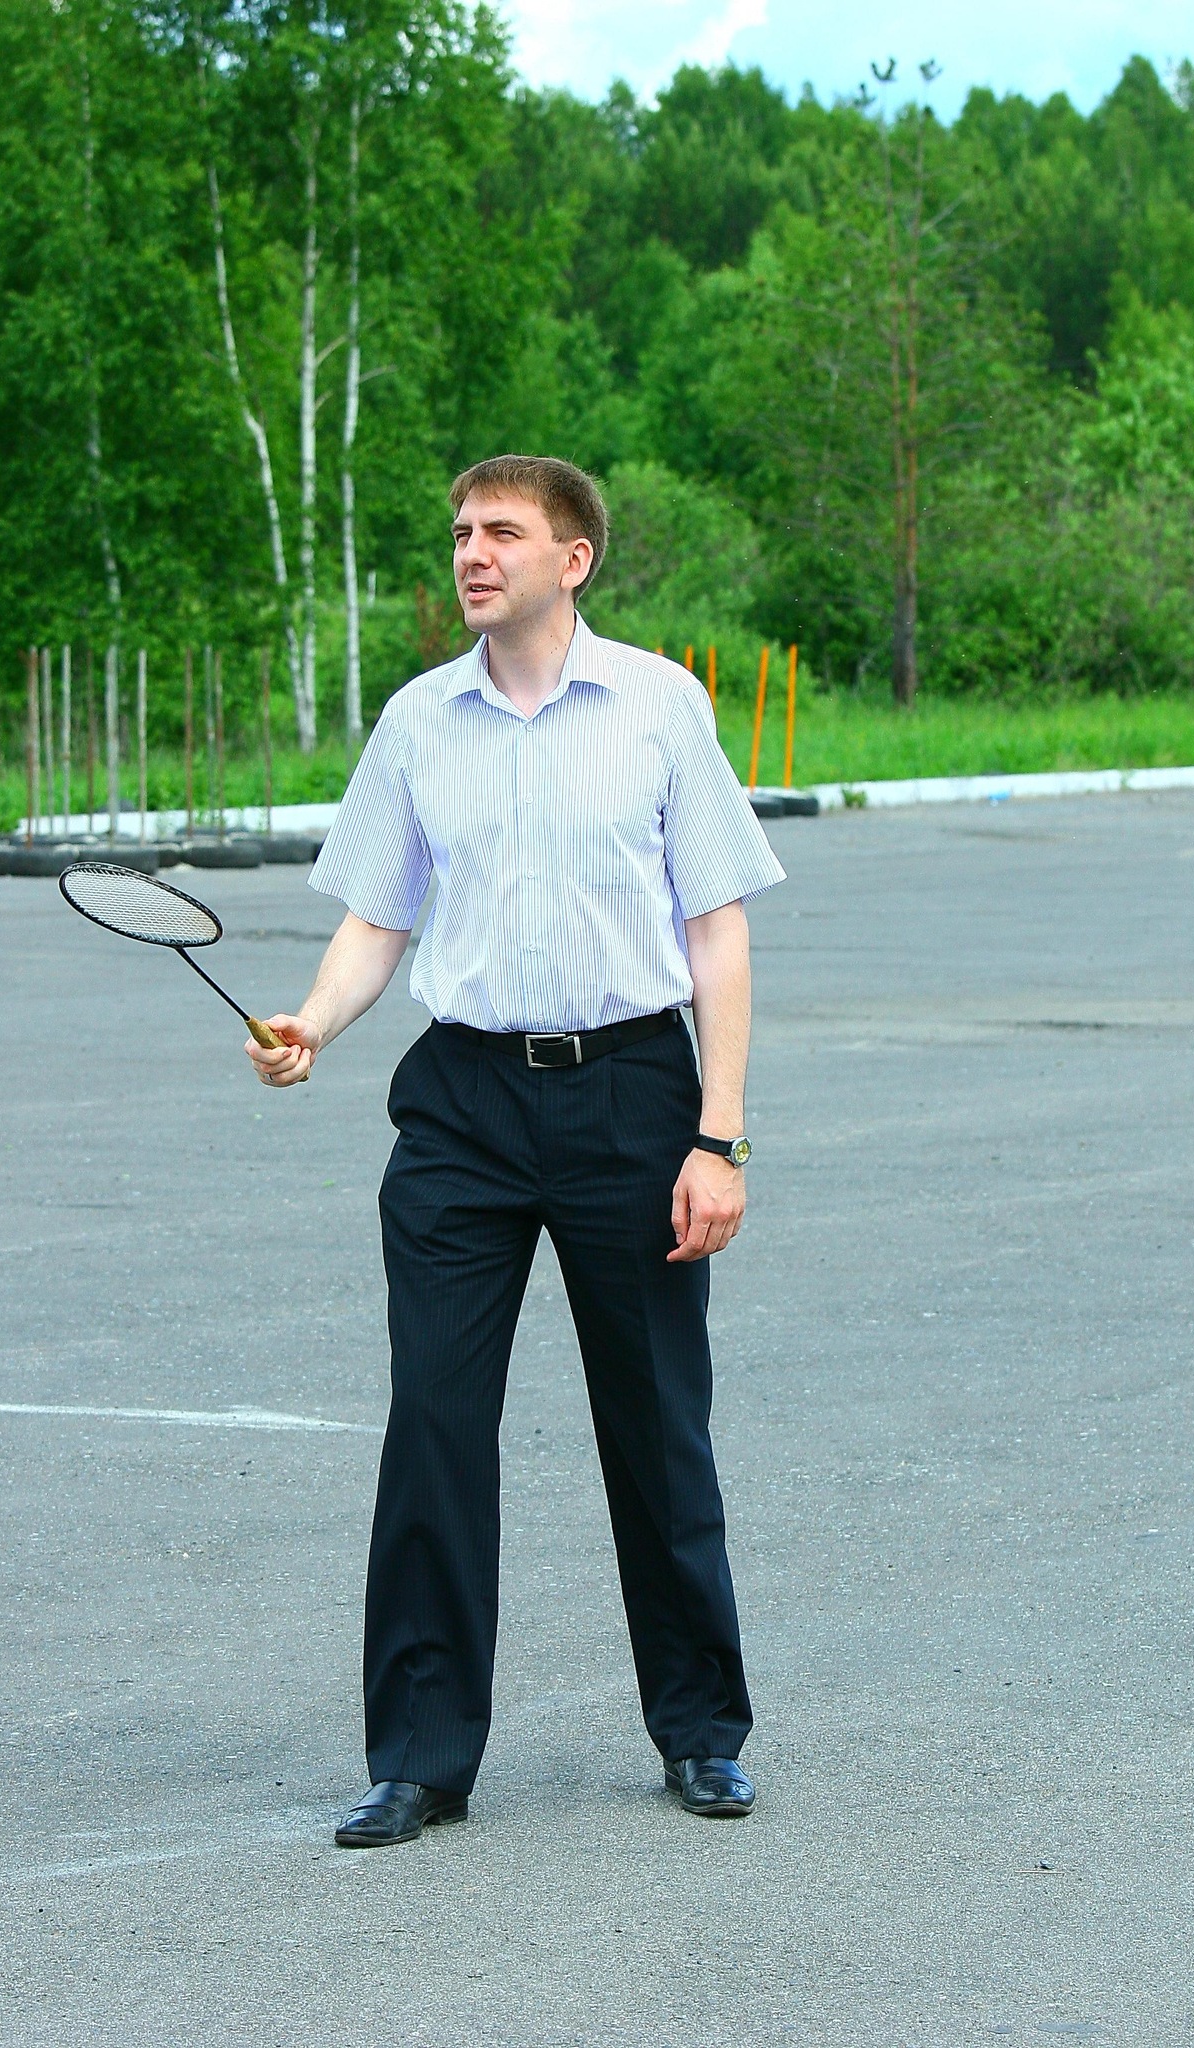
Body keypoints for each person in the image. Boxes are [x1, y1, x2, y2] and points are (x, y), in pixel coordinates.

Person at [246, 454, 785, 1847]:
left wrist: (716, 1137)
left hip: (631, 1097)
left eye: (501, 532)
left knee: (655, 1429)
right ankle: (421, 1758)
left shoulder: (659, 706)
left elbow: (715, 926)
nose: (472, 554)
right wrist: (312, 1022)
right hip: (463, 1110)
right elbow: (380, 916)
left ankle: (700, 1733)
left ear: (573, 557)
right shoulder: (419, 721)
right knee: (432, 1426)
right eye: (460, 534)